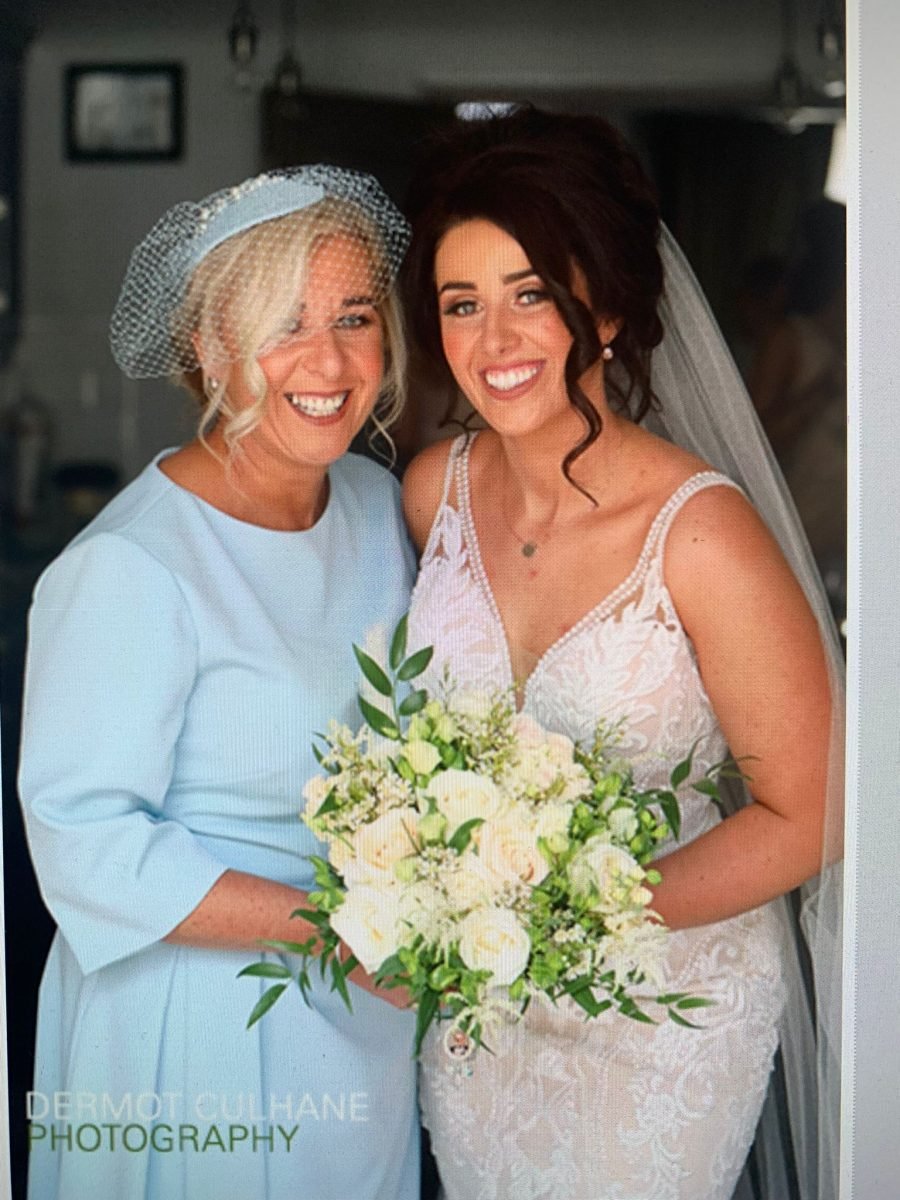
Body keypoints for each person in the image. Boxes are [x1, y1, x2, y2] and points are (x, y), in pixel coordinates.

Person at [401, 108, 843, 1200]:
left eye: (530, 295)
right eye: (464, 305)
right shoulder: (430, 496)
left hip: (660, 1016)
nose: (493, 341)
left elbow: (817, 811)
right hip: (483, 1018)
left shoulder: (700, 534)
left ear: (601, 309)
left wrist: (575, 917)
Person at [18, 166, 420, 1200]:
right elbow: (85, 838)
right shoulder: (134, 565)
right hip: (192, 1030)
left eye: (354, 316)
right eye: (282, 324)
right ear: (207, 349)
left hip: (360, 1023)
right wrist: (329, 931)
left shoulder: (379, 508)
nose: (327, 360)